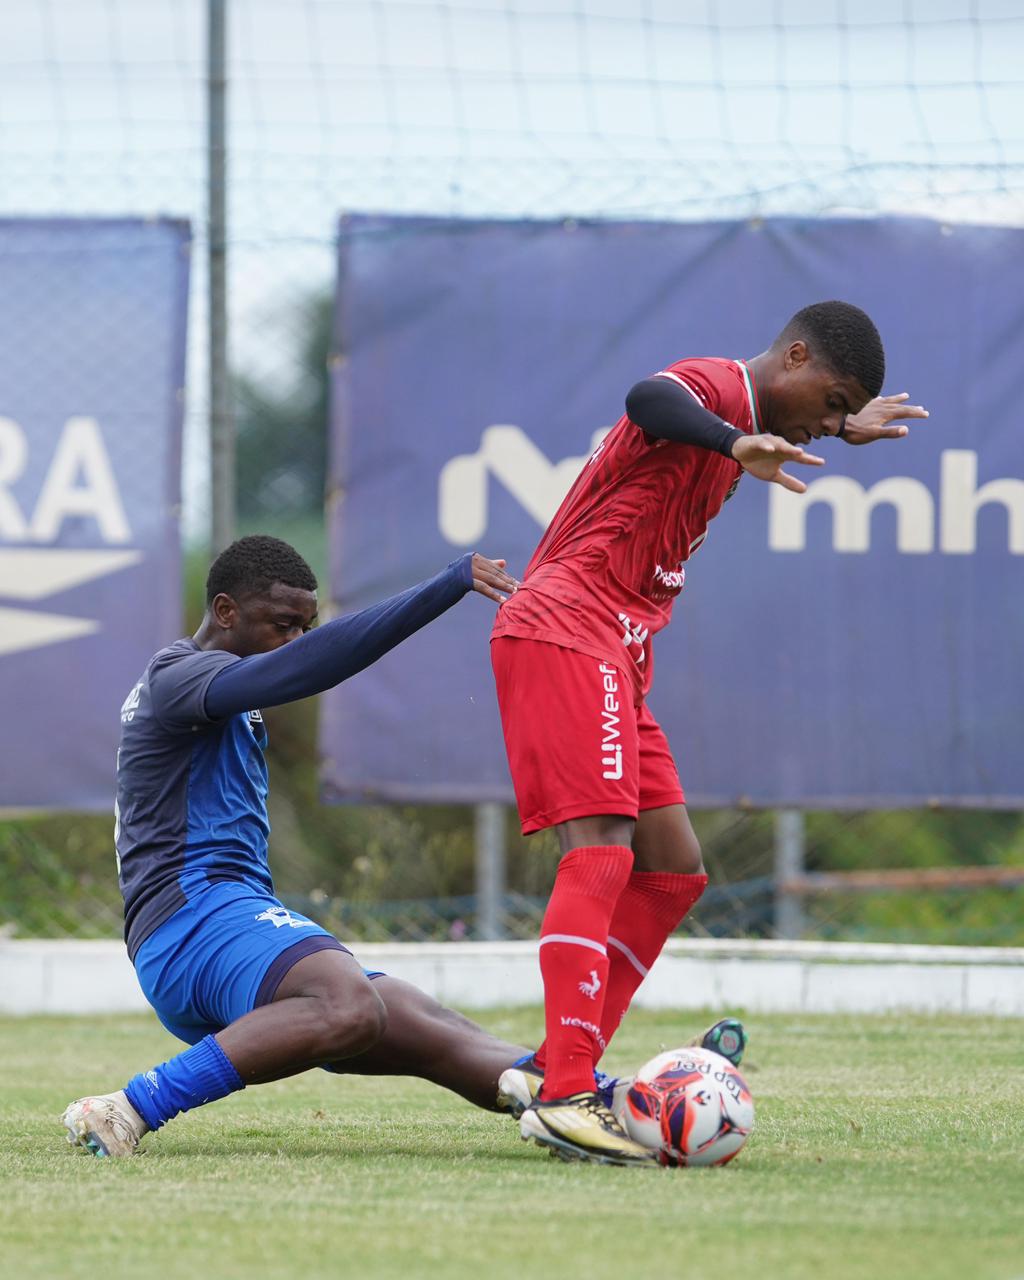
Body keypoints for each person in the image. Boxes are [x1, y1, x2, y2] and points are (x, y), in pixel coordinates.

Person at [490, 301, 929, 1165]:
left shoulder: (759, 417)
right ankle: (568, 1093)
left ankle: (551, 1063)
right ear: (793, 355)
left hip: (617, 647)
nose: (829, 423)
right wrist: (735, 443)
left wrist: (835, 428)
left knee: (672, 870)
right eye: (830, 402)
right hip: (568, 625)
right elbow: (647, 398)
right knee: (601, 851)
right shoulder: (717, 389)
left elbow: (772, 418)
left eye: (840, 414)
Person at [62, 535, 540, 1158]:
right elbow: (314, 664)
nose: (294, 641)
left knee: (423, 1026)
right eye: (282, 624)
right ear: (226, 611)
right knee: (347, 1002)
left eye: (304, 627)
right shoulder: (176, 676)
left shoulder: (220, 691)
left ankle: (590, 1100)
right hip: (190, 921)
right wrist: (445, 585)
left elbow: (300, 663)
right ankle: (128, 1108)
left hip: (220, 923)